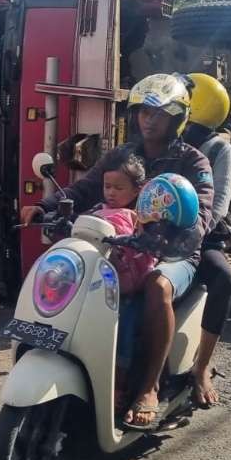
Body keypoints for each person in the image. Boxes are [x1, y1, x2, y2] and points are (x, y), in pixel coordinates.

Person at [21, 73, 214, 430]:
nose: (149, 119)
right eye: (143, 112)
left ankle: (148, 388)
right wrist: (46, 206)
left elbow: (201, 214)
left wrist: (173, 234)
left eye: (159, 113)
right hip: (124, 247)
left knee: (157, 286)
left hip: (173, 254)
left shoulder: (194, 162)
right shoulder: (123, 155)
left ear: (178, 118)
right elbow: (85, 189)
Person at [181, 73, 231, 407]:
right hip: (156, 234)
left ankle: (201, 366)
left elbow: (218, 205)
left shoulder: (219, 148)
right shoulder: (164, 138)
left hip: (202, 238)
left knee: (224, 278)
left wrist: (190, 234)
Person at [89, 151, 155, 412]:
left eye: (119, 188)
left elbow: (139, 246)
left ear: (137, 190)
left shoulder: (137, 218)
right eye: (107, 186)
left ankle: (120, 380)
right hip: (98, 283)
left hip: (128, 289)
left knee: (125, 324)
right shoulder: (97, 211)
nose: (111, 193)